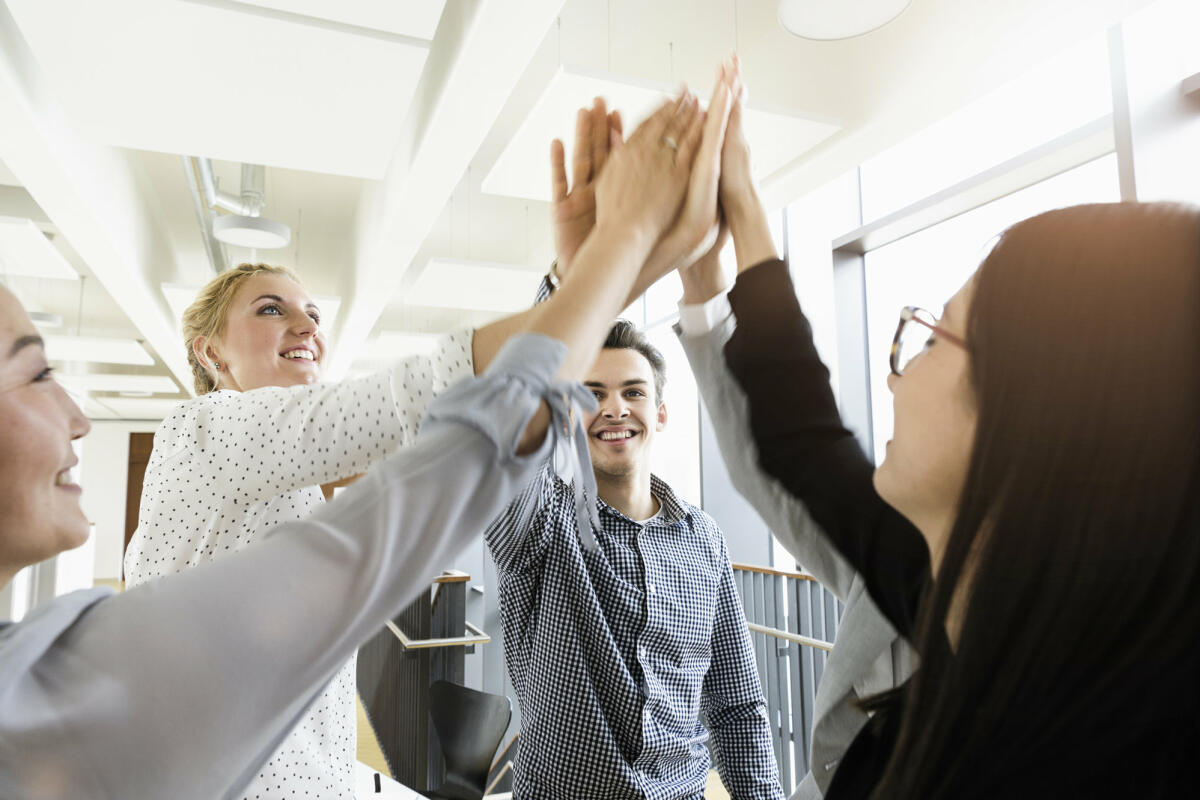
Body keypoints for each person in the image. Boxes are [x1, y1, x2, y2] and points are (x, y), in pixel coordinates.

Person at [0, 88, 717, 799]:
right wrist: (594, 274)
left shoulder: (285, 481)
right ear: (211, 353)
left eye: (314, 314)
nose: (307, 326)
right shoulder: (204, 430)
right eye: (271, 310)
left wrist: (578, 287)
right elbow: (418, 419)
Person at [713, 66, 1200, 798]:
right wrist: (739, 206)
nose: (894, 376)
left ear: (1029, 416)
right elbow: (803, 440)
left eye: (935, 337)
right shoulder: (972, 592)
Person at [484, 70, 783, 800]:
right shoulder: (543, 529)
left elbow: (738, 710)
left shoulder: (705, 540)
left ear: (662, 411)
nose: (613, 408)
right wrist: (576, 278)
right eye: (591, 393)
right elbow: (503, 424)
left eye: (633, 392)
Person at [670, 62, 916, 799]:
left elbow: (804, 430)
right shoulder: (903, 558)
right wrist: (704, 269)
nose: (896, 376)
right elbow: (774, 461)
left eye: (932, 340)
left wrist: (741, 205)